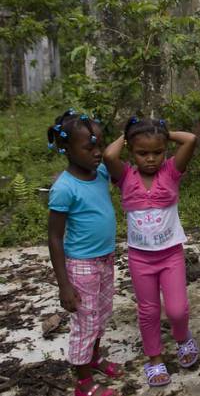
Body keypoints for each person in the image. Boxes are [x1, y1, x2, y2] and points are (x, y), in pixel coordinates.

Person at [103, 118, 199, 388]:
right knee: (148, 310)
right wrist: (128, 135)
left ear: (165, 151)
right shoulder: (125, 176)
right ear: (131, 152)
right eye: (142, 153)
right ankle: (155, 358)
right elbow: (110, 154)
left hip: (170, 255)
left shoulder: (171, 171)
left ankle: (182, 338)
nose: (150, 159)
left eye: (157, 152)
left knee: (177, 310)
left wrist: (164, 134)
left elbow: (191, 139)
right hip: (140, 257)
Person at [46, 110, 123, 396]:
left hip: (105, 259)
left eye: (99, 144)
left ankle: (94, 359)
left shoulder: (101, 171)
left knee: (101, 315)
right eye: (89, 147)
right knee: (84, 322)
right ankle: (83, 382)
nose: (97, 152)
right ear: (66, 149)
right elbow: (55, 238)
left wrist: (126, 134)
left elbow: (114, 160)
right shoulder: (65, 188)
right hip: (81, 265)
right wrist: (64, 285)